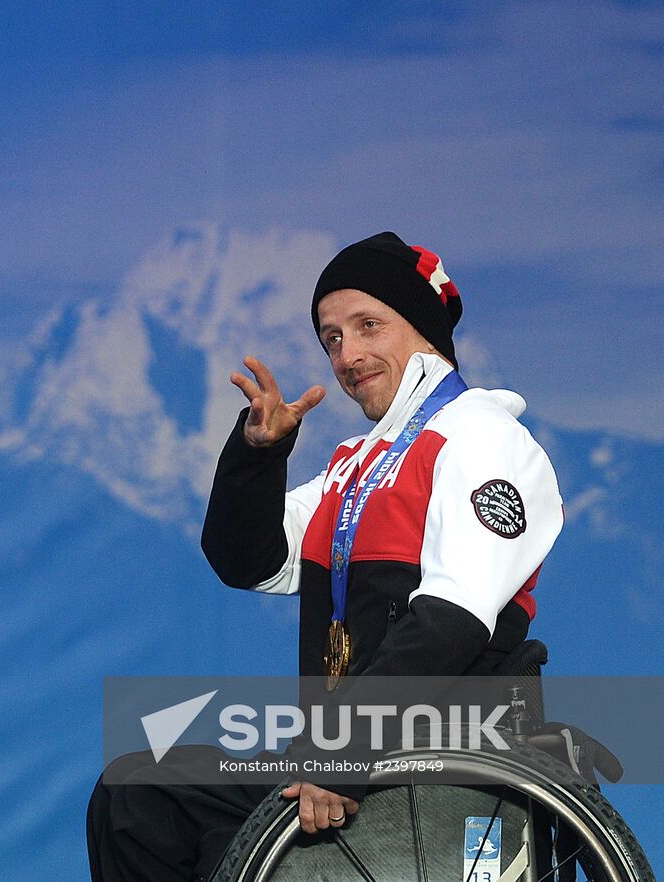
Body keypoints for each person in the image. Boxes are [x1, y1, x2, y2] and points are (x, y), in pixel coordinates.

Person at [87, 231, 564, 881]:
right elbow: (247, 562)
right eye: (332, 337)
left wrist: (341, 748)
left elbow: (452, 621)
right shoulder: (354, 467)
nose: (349, 354)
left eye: (369, 326)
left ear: (424, 329)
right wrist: (257, 460)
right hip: (346, 751)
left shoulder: (487, 441)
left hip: (453, 753)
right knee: (140, 792)